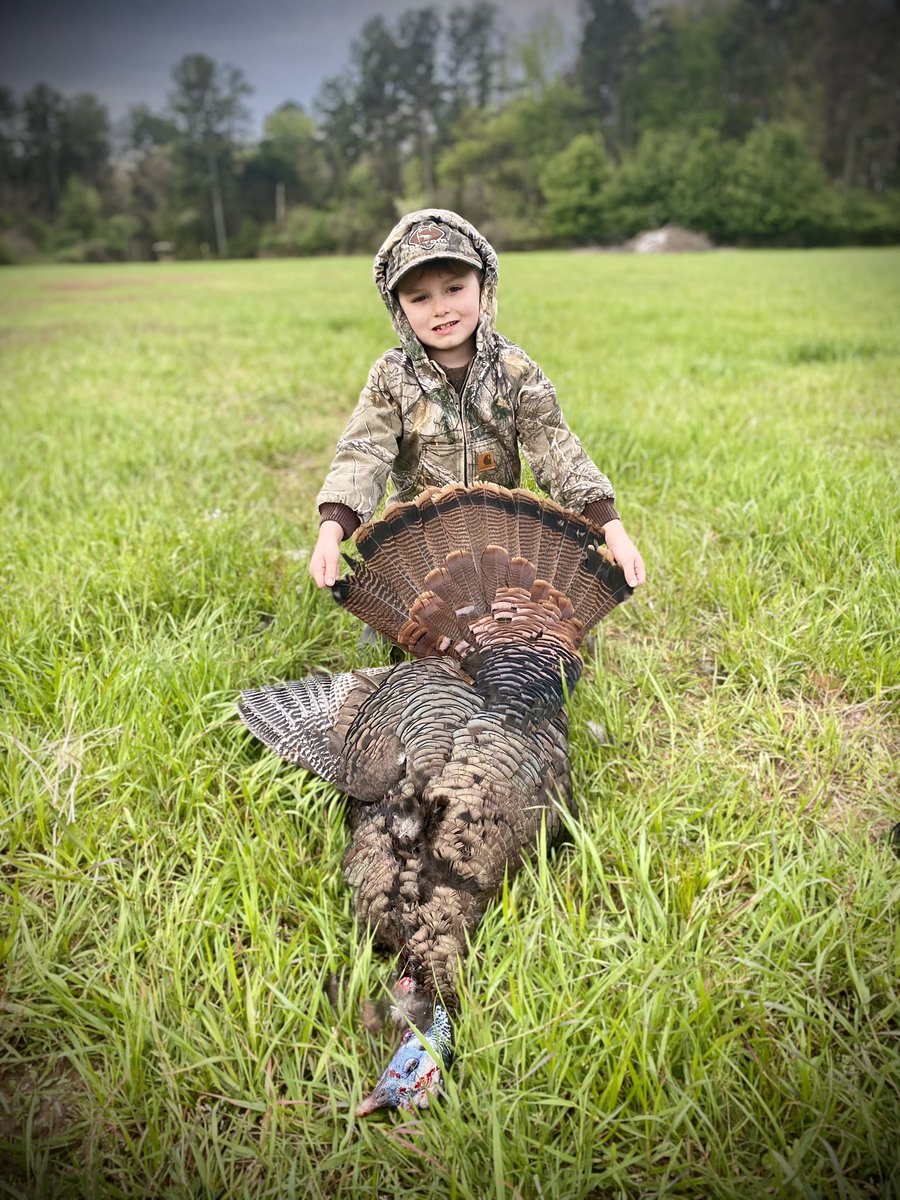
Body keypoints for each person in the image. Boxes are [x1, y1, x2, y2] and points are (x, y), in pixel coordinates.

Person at [310, 208, 645, 591]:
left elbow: (558, 452)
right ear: (398, 308)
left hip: (502, 542)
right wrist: (332, 529)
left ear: (483, 287)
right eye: (420, 297)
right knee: (413, 639)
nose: (440, 308)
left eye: (454, 289)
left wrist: (611, 528)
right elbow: (364, 452)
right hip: (421, 543)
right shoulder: (391, 377)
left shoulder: (515, 369)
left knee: (536, 635)